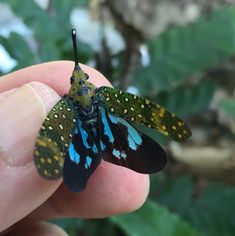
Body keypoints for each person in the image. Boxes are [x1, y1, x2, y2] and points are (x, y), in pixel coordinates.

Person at [0, 61, 149, 235]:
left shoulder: (66, 104)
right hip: (101, 129)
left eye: (83, 77)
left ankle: (90, 155)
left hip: (84, 133)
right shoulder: (99, 96)